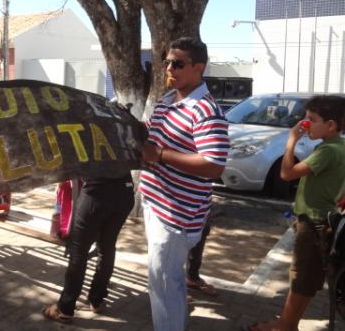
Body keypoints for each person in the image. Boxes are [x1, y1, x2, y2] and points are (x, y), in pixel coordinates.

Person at [140, 37, 229, 331]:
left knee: (165, 283)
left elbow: (214, 166)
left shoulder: (205, 110)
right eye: (166, 62)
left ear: (198, 67)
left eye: (177, 64)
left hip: (177, 214)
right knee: (164, 280)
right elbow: (155, 142)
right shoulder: (167, 101)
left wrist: (162, 154)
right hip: (155, 202)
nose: (169, 68)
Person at [246, 95, 345, 331]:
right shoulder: (338, 147)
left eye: (311, 119)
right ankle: (288, 322)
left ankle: (285, 326)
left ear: (330, 125)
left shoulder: (328, 151)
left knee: (300, 278)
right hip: (321, 221)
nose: (304, 123)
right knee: (307, 279)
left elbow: (287, 173)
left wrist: (290, 141)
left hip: (313, 224)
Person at [42, 173, 134, 322]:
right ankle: (97, 301)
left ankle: (65, 309)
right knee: (107, 247)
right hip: (125, 192)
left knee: (78, 251)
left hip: (96, 193)